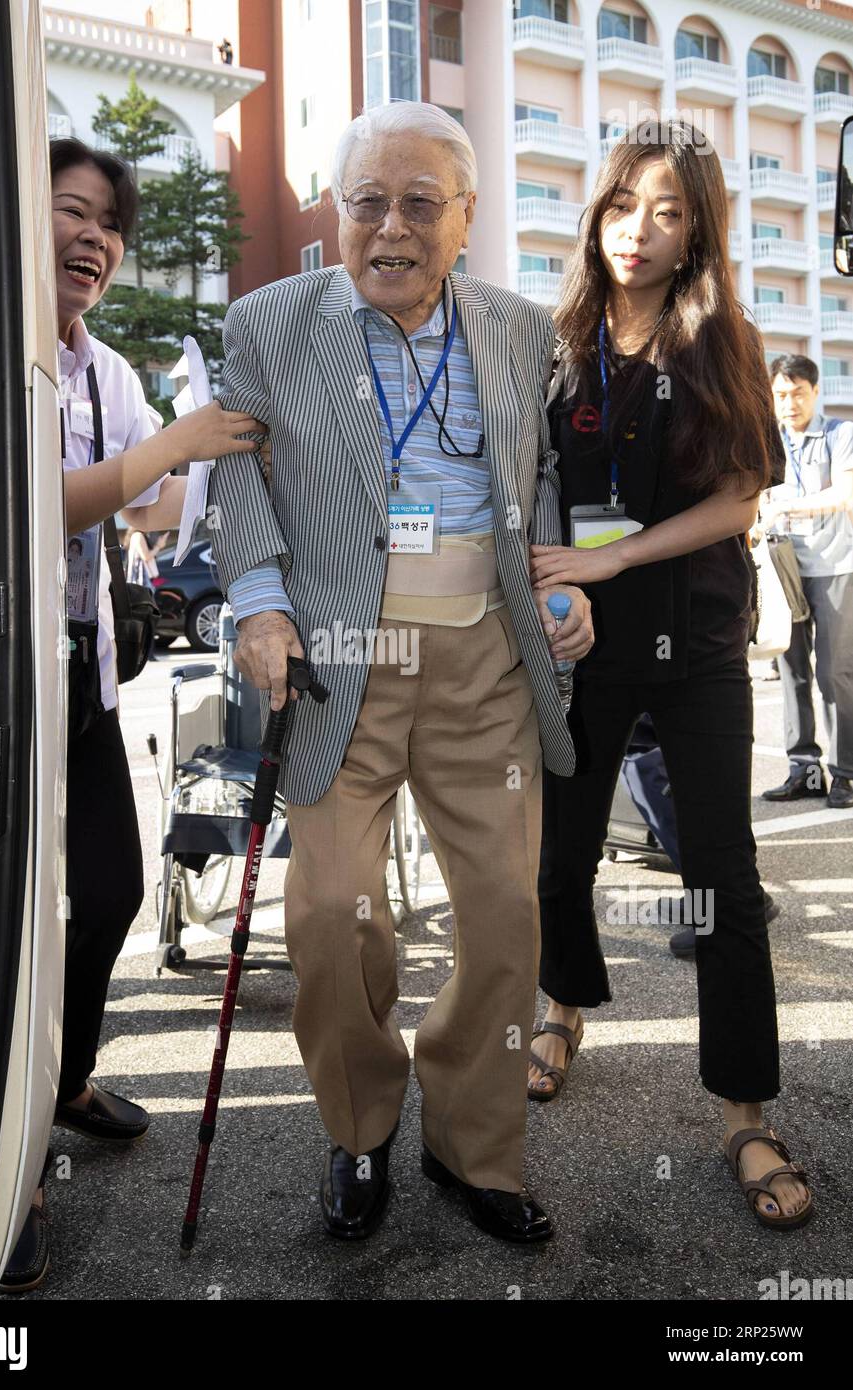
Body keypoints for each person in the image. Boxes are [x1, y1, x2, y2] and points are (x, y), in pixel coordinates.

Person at [207, 101, 594, 1243]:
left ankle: (472, 1145)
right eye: (365, 200)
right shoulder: (269, 322)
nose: (388, 226)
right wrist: (260, 604)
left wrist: (563, 588)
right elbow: (234, 474)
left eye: (418, 202)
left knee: (503, 916)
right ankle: (360, 1125)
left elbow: (541, 488)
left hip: (483, 652)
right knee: (332, 912)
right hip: (333, 655)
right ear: (337, 210)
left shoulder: (522, 329)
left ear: (464, 217)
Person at [527, 121, 813, 1230]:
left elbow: (741, 499)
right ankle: (563, 1006)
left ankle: (743, 1108)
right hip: (576, 645)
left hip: (691, 643)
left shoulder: (720, 337)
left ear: (695, 230)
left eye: (666, 210)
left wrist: (611, 556)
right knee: (557, 854)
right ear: (593, 214)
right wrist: (553, 587)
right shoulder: (554, 339)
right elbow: (528, 479)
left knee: (721, 879)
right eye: (619, 205)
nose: (635, 230)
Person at [0, 138, 262, 1292]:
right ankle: (2, 1168)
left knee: (105, 885)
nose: (95, 236)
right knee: (2, 916)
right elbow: (36, 499)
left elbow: (148, 498)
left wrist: (179, 458)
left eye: (110, 221)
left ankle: (59, 1085)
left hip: (84, 669)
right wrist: (168, 449)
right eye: (72, 209)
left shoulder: (104, 368)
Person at [760, 355, 853, 810]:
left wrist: (787, 508)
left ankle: (846, 774)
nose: (789, 402)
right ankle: (804, 769)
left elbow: (845, 493)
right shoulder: (767, 440)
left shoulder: (841, 434)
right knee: (793, 670)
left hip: (836, 566)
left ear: (815, 392)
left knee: (835, 673)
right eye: (781, 394)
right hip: (783, 569)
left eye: (798, 392)